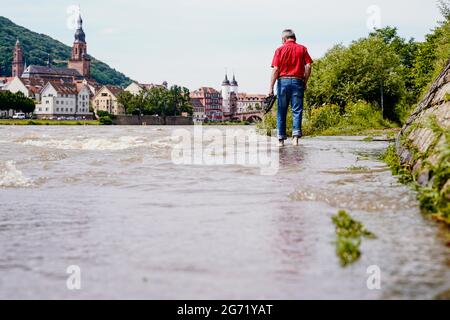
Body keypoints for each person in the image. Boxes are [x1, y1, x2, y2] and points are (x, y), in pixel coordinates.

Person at [269, 29, 313, 147]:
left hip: (283, 82)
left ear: (284, 39)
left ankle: (280, 140)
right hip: (298, 82)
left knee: (281, 111)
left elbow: (275, 69)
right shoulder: (302, 49)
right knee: (297, 110)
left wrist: (270, 87)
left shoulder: (279, 50)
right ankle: (295, 139)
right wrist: (305, 81)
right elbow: (308, 66)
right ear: (294, 38)